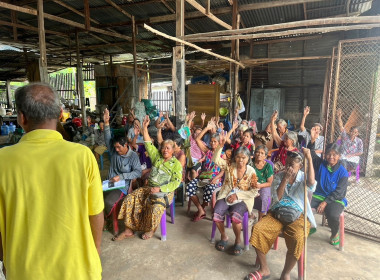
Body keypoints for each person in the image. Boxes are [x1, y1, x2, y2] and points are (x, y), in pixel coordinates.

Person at [0, 83, 104, 279]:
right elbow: (96, 214)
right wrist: (95, 252)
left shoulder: (2, 161)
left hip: (25, 271)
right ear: (60, 114)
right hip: (78, 270)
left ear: (22, 118)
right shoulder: (82, 156)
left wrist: (6, 260)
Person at [246, 149, 316, 280]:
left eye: (292, 165)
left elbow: (312, 182)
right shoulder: (279, 176)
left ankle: (286, 273)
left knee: (298, 237)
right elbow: (277, 197)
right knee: (258, 229)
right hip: (277, 212)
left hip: (298, 215)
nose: (288, 167)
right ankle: (264, 269)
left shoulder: (303, 177)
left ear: (300, 166)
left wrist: (310, 159)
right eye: (287, 163)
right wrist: (285, 178)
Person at [114, 116, 182, 241]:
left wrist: (159, 188)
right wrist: (144, 128)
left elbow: (176, 182)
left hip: (164, 192)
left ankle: (151, 230)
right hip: (149, 188)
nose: (164, 150)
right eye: (163, 147)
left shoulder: (176, 164)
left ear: (172, 150)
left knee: (155, 208)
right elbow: (148, 143)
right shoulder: (157, 156)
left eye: (168, 148)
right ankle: (129, 229)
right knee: (130, 199)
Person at [212, 133, 259, 256]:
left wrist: (238, 196)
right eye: (238, 157)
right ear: (235, 158)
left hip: (243, 199)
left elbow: (254, 191)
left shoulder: (251, 171)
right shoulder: (229, 166)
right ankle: (224, 236)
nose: (240, 160)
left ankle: (238, 240)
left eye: (243, 157)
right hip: (226, 195)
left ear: (248, 159)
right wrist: (219, 147)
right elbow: (216, 160)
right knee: (216, 213)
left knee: (235, 216)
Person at [308, 127, 348, 246]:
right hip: (319, 195)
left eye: (334, 154)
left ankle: (334, 232)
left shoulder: (343, 172)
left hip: (335, 199)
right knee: (303, 204)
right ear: (325, 155)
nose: (331, 157)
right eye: (328, 154)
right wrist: (312, 140)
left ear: (339, 156)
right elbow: (311, 154)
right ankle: (309, 226)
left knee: (333, 214)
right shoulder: (321, 164)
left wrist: (325, 202)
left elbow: (339, 193)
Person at [103, 109, 142, 220]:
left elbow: (138, 172)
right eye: (115, 147)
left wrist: (121, 177)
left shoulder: (133, 156)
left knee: (108, 202)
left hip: (121, 186)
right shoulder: (114, 151)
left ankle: (107, 220)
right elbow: (107, 139)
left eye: (119, 147)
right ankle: (105, 218)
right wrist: (106, 123)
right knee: (95, 199)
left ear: (125, 145)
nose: (116, 149)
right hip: (108, 183)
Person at [186, 120, 225, 222]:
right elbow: (198, 139)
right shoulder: (207, 151)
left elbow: (223, 171)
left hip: (214, 179)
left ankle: (202, 207)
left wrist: (215, 178)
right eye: (211, 141)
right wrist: (206, 128)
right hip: (203, 177)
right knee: (189, 187)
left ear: (219, 143)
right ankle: (200, 209)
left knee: (209, 190)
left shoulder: (222, 154)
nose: (212, 143)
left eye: (215, 141)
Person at [251, 145, 274, 221]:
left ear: (265, 156)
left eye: (262, 153)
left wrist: (259, 185)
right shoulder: (250, 163)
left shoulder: (268, 166)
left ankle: (260, 219)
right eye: (257, 152)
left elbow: (270, 183)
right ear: (254, 153)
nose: (259, 154)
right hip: (250, 185)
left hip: (263, 185)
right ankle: (249, 214)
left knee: (263, 197)